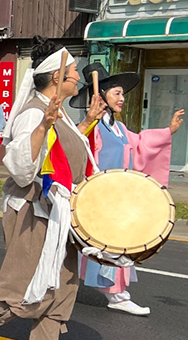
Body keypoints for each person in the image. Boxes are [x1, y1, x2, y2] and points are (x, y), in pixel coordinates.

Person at [0, 36, 105, 340]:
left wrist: (86, 122)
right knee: (30, 283)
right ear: (56, 77)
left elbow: (59, 155)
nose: (78, 77)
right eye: (73, 71)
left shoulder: (59, 113)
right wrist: (44, 124)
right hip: (33, 209)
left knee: (63, 279)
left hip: (57, 211)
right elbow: (20, 167)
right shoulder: (34, 114)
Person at [71, 62, 184, 316]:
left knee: (114, 245)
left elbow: (141, 144)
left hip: (116, 199)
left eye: (122, 93)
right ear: (101, 98)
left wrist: (168, 132)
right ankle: (110, 294)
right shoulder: (92, 128)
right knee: (86, 244)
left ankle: (117, 294)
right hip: (96, 198)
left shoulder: (119, 128)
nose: (122, 98)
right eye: (116, 93)